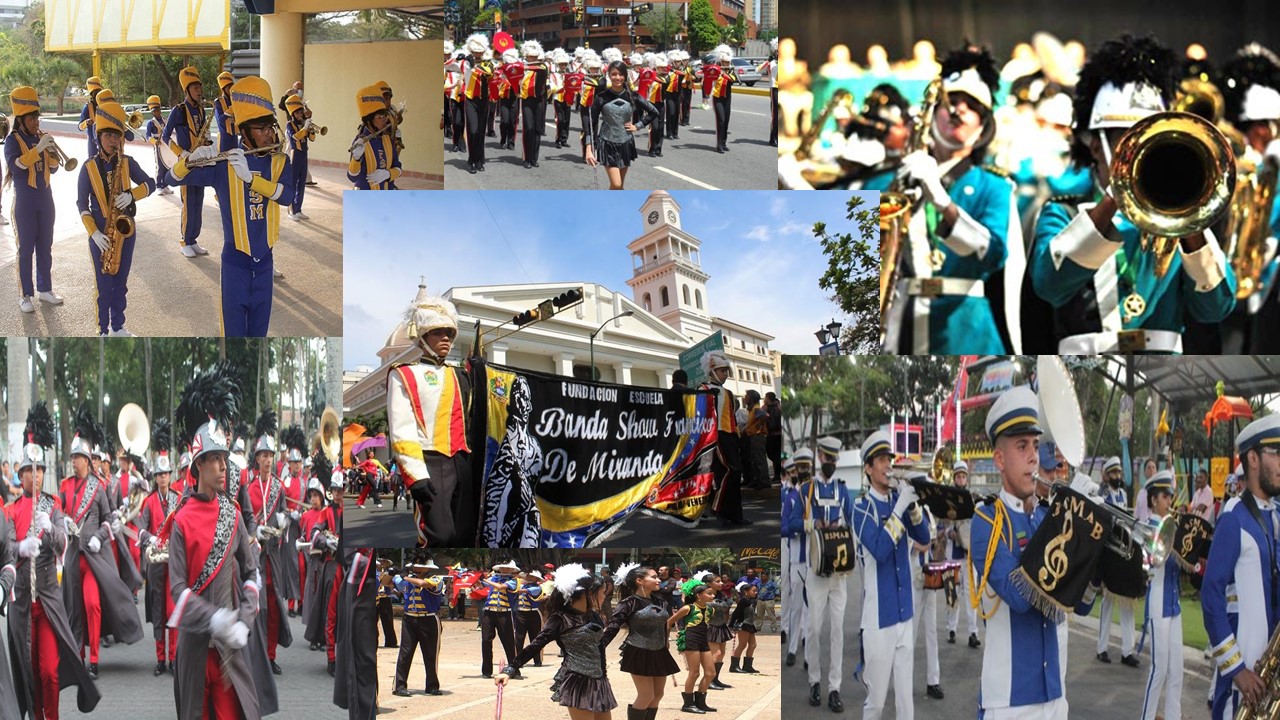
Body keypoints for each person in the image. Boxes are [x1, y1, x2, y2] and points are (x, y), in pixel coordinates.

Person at [1030, 34, 1236, 354]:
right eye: (1125, 138)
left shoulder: (1179, 214)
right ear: (1096, 145)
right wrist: (1115, 198)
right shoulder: (1063, 213)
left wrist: (1188, 212)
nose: (1138, 148)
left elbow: (1215, 307)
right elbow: (1049, 286)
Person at [867, 45, 1019, 354]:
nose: (958, 109)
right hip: (901, 325)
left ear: (984, 125)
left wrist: (940, 199)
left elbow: (993, 255)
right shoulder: (890, 180)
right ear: (933, 113)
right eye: (951, 101)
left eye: (971, 105)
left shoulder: (994, 185)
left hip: (966, 326)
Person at [167, 365, 277, 719]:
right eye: (213, 460)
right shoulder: (180, 520)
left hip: (229, 650)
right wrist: (213, 619)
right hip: (195, 647)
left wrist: (244, 619)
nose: (221, 467)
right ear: (198, 465)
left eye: (223, 460)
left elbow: (251, 573)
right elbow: (178, 591)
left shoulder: (231, 512)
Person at [971, 385, 1088, 718]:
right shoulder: (987, 521)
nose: (1034, 456)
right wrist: (1066, 521)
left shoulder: (1045, 517)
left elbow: (1079, 603)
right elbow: (1021, 595)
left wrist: (1090, 545)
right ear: (999, 459)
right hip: (1009, 701)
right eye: (1021, 447)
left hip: (1054, 694)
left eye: (1035, 446)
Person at [167, 75, 296, 337]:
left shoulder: (281, 162)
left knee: (259, 335)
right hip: (234, 265)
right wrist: (189, 160)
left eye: (270, 127)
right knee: (234, 337)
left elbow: (287, 197)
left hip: (265, 265)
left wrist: (251, 179)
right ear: (245, 130)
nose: (270, 133)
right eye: (262, 128)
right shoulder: (224, 165)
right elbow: (169, 178)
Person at [7, 405, 102, 719]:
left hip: (47, 598)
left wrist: (50, 529)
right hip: (22, 603)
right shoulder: (10, 511)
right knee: (29, 669)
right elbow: (5, 547)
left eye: (39, 471)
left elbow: (64, 540)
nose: (35, 476)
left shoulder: (53, 504)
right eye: (28, 471)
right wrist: (20, 547)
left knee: (50, 671)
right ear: (20, 476)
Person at [1203, 413, 1280, 719]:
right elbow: (1211, 598)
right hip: (1244, 687)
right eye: (1276, 453)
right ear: (1253, 459)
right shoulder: (1233, 517)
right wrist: (1236, 669)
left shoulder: (1274, 516)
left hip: (1268, 680)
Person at [386, 289, 475, 546]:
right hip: (430, 461)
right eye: (437, 332)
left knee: (465, 536)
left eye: (449, 333)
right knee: (439, 535)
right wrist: (416, 475)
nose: (446, 338)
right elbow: (402, 430)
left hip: (464, 460)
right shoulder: (404, 374)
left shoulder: (460, 374)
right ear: (423, 337)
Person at [60, 413, 144, 680]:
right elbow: (59, 513)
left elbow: (109, 518)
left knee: (92, 604)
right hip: (73, 557)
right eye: (72, 457)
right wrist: (59, 524)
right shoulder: (65, 486)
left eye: (77, 457)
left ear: (87, 460)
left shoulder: (98, 487)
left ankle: (94, 659)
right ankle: (79, 657)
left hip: (94, 558)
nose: (73, 461)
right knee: (74, 610)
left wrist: (100, 535)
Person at [853, 433, 930, 719]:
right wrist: (900, 508)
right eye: (882, 460)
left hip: (904, 612)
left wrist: (913, 506)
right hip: (878, 618)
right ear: (869, 468)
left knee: (906, 700)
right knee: (876, 702)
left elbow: (923, 537)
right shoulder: (862, 507)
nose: (888, 466)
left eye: (889, 459)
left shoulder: (900, 500)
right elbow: (880, 549)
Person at [781, 438, 855, 712]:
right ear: (820, 456)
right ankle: (815, 681)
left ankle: (834, 687)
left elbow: (850, 523)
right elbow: (789, 524)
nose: (831, 464)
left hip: (838, 574)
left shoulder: (843, 490)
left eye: (835, 460)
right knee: (813, 629)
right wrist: (812, 523)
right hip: (814, 571)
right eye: (827, 458)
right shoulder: (805, 490)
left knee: (837, 631)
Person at [77, 98, 156, 337]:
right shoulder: (87, 167)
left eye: (117, 136)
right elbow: (82, 205)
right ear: (99, 137)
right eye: (108, 136)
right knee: (104, 286)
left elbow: (150, 184)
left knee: (121, 283)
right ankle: (103, 330)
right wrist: (94, 232)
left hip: (125, 230)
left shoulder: (128, 163)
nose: (113, 141)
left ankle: (118, 326)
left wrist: (133, 195)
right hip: (101, 233)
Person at [496, 564, 618, 719]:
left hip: (599, 680)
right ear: (589, 593)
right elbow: (536, 645)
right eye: (602, 592)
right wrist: (510, 669)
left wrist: (602, 676)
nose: (604, 596)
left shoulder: (593, 616)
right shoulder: (561, 619)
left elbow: (599, 647)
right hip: (577, 679)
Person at [6, 85, 66, 315]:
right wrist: (37, 149)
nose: (36, 122)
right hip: (25, 201)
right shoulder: (13, 140)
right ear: (20, 119)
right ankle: (25, 295)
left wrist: (50, 153)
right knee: (25, 249)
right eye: (31, 118)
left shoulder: (41, 137)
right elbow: (16, 166)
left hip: (45, 198)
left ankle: (45, 289)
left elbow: (54, 168)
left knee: (45, 246)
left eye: (37, 118)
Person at [243, 411, 293, 675]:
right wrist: (255, 531)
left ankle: (271, 655)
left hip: (274, 556)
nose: (268, 460)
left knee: (274, 608)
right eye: (263, 456)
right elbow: (243, 525)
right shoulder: (249, 489)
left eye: (271, 456)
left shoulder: (279, 487)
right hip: (256, 558)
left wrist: (284, 520)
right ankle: (257, 655)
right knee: (257, 608)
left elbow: (283, 511)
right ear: (257, 459)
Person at [602, 564, 679, 720]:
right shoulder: (629, 603)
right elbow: (613, 627)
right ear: (640, 581)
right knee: (646, 695)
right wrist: (598, 647)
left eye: (657, 577)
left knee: (657, 695)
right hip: (638, 650)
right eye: (653, 577)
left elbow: (664, 623)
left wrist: (665, 642)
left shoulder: (660, 602)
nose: (658, 580)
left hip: (659, 651)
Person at [136, 425, 180, 676]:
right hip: (155, 564)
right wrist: (150, 538)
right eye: (159, 474)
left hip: (173, 563)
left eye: (166, 474)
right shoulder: (149, 501)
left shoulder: (178, 498)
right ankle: (160, 658)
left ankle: (174, 657)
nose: (163, 478)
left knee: (173, 609)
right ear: (155, 477)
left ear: (170, 475)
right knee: (158, 611)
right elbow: (140, 529)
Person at [1139, 470, 1183, 720]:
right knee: (1159, 669)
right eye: (1165, 496)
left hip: (1174, 603)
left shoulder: (1172, 526)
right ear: (1154, 500)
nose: (1169, 501)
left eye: (1170, 496)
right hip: (1157, 601)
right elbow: (1147, 563)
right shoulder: (1148, 528)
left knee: (1177, 670)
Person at [584, 59, 660, 190]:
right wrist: (588, 148)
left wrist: (638, 126)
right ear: (609, 75)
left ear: (625, 76)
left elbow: (654, 112)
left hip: (626, 143)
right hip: (607, 143)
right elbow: (590, 122)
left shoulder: (632, 96)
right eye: (614, 74)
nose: (617, 78)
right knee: (616, 184)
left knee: (620, 187)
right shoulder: (601, 97)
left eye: (620, 74)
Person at [162, 66, 212, 258]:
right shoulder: (179, 110)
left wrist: (207, 142)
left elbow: (203, 133)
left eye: (200, 87)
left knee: (198, 202)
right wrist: (181, 153)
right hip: (186, 163)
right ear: (187, 89)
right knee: (188, 203)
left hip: (200, 161)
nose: (199, 91)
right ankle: (184, 241)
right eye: (195, 87)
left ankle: (193, 240)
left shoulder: (200, 109)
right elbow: (165, 136)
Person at [1096, 456, 1139, 667]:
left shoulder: (1122, 494)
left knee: (1126, 601)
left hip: (1123, 552)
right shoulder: (1102, 495)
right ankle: (1101, 648)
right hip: (1109, 553)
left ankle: (1127, 650)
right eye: (1113, 473)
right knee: (1108, 602)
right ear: (1106, 475)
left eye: (1119, 473)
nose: (1117, 476)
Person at [699, 351, 750, 525]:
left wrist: (737, 435)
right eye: (722, 371)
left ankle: (734, 515)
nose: (726, 374)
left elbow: (732, 417)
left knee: (732, 473)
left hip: (730, 435)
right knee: (732, 470)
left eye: (727, 371)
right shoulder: (703, 389)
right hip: (716, 434)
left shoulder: (728, 392)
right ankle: (719, 508)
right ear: (712, 371)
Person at [392, 559, 445, 697]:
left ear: (427, 568)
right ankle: (399, 685)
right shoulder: (407, 580)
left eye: (420, 567)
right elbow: (387, 582)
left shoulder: (436, 578)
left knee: (430, 654)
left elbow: (423, 584)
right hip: (409, 618)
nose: (417, 569)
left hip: (429, 619)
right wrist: (391, 573)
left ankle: (432, 685)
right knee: (405, 652)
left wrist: (404, 576)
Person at [944, 460, 981, 648]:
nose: (961, 479)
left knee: (971, 593)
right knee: (953, 591)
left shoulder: (973, 498)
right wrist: (948, 533)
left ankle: (973, 632)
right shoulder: (947, 499)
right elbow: (941, 526)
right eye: (958, 476)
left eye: (963, 476)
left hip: (969, 555)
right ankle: (951, 628)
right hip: (953, 552)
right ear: (954, 478)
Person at [672, 577, 718, 714]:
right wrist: (671, 634)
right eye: (709, 593)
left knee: (710, 673)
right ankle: (687, 704)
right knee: (694, 673)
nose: (713, 595)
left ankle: (700, 702)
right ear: (698, 596)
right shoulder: (688, 608)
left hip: (703, 641)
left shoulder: (711, 610)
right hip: (691, 640)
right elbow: (670, 621)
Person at [479, 561, 521, 678]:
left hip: (504, 613)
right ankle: (486, 670)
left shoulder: (514, 581)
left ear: (512, 570)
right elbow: (481, 585)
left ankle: (514, 669)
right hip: (489, 612)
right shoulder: (493, 578)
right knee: (486, 640)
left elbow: (501, 587)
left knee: (509, 642)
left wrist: (486, 580)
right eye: (503, 567)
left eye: (508, 568)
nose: (504, 569)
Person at [461, 33, 494, 174]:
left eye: (479, 52)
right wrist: (459, 59)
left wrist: (474, 64)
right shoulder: (466, 62)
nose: (477, 54)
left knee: (480, 132)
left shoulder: (488, 64)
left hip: (484, 100)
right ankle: (471, 160)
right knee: (472, 131)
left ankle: (479, 160)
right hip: (470, 100)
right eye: (475, 51)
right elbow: (448, 65)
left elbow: (488, 73)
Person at [518, 40, 549, 168]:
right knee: (528, 128)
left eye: (535, 56)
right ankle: (527, 158)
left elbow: (539, 68)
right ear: (526, 56)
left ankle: (534, 158)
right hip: (526, 100)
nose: (533, 58)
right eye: (530, 56)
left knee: (537, 129)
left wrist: (524, 66)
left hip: (539, 100)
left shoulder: (542, 66)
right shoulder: (522, 68)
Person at [283, 94, 313, 221]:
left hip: (304, 154)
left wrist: (310, 129)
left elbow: (312, 139)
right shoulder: (290, 125)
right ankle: (291, 210)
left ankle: (298, 209)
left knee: (302, 184)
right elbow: (294, 138)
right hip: (295, 155)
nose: (301, 114)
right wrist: (305, 128)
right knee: (293, 183)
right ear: (293, 113)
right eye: (298, 112)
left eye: (302, 111)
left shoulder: (303, 124)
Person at [142, 95, 173, 196]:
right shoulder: (151, 123)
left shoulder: (164, 120)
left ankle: (165, 185)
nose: (157, 112)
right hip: (158, 146)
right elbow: (147, 135)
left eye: (158, 110)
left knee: (167, 165)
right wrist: (154, 141)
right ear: (152, 112)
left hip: (166, 146)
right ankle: (159, 186)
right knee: (160, 166)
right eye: (155, 111)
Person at [729, 581, 760, 674]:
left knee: (753, 645)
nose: (756, 592)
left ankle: (747, 666)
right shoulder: (743, 601)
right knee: (742, 645)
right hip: (743, 624)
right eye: (753, 591)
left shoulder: (749, 600)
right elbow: (736, 613)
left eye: (756, 591)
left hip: (750, 624)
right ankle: (734, 666)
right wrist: (731, 625)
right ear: (746, 591)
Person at [514, 570, 544, 664]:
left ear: (536, 578)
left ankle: (537, 660)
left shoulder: (537, 588)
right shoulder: (523, 585)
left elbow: (518, 590)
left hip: (533, 614)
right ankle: (518, 660)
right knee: (519, 637)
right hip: (520, 613)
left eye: (531, 576)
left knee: (535, 638)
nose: (528, 576)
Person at [77, 76, 105, 157]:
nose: (97, 95)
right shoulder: (87, 107)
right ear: (92, 94)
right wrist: (86, 122)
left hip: (105, 141)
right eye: (95, 93)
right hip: (93, 142)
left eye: (99, 92)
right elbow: (80, 127)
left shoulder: (105, 105)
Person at [213, 71, 238, 152]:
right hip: (224, 138)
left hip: (235, 136)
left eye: (232, 86)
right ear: (223, 88)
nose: (231, 89)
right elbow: (220, 120)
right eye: (228, 87)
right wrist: (230, 110)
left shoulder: (234, 100)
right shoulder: (218, 102)